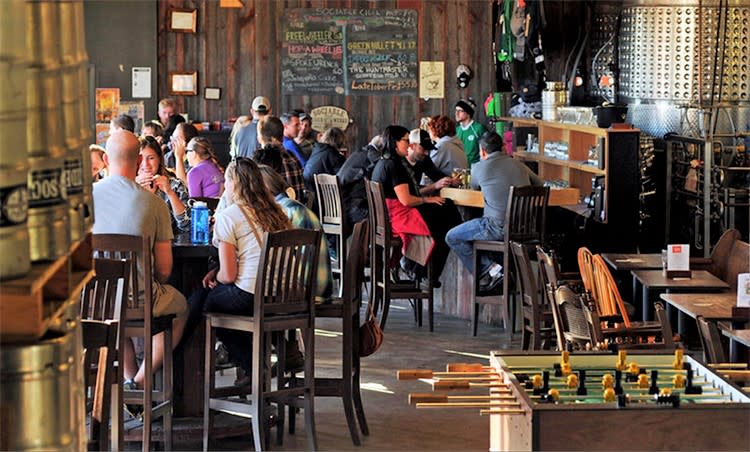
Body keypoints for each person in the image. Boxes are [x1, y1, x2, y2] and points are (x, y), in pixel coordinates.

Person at [92, 130, 187, 402]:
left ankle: (128, 383)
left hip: (95, 304)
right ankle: (141, 381)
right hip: (140, 301)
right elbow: (165, 271)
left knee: (115, 315)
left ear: (106, 159)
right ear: (137, 162)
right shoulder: (154, 204)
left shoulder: (82, 199)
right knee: (181, 308)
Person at [181, 158, 292, 379]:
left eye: (227, 181)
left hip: (251, 295)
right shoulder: (277, 213)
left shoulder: (229, 216)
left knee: (203, 301)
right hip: (282, 296)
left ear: (234, 183)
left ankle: (181, 360)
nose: (224, 186)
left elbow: (229, 275)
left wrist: (217, 277)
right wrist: (218, 273)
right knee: (207, 301)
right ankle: (255, 367)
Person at [445, 131, 544, 292]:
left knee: (452, 237)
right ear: (503, 147)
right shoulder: (518, 164)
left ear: (482, 151)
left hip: (496, 227)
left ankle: (493, 270)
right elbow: (539, 183)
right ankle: (500, 271)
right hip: (525, 230)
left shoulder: (478, 167)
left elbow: (474, 188)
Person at [371, 125, 457, 287]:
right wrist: (427, 200)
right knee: (446, 223)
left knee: (446, 215)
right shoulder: (394, 164)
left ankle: (418, 268)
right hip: (399, 217)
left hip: (387, 217)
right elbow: (406, 200)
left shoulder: (384, 161)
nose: (409, 144)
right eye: (406, 140)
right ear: (395, 142)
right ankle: (421, 271)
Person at [258, 164, 333, 299]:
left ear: (264, 188)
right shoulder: (290, 206)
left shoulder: (281, 212)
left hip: (304, 289)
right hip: (319, 286)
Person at [135, 135, 191, 233]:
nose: (145, 164)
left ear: (160, 160)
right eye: (140, 159)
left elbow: (186, 225)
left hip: (171, 245)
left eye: (151, 158)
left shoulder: (175, 185)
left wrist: (170, 192)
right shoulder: (128, 186)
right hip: (136, 244)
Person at [336, 134, 383, 236]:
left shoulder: (359, 153)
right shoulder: (373, 156)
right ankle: (364, 251)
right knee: (382, 218)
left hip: (340, 205)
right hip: (351, 208)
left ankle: (365, 250)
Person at [252, 115, 306, 204]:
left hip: (276, 214)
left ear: (260, 138)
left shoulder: (263, 160)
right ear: (282, 135)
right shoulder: (292, 156)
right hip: (297, 210)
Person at [407, 128, 459, 196]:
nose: (426, 153)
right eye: (423, 149)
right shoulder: (399, 162)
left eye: (428, 149)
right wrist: (434, 186)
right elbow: (409, 195)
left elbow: (437, 175)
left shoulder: (424, 159)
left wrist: (451, 181)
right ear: (412, 146)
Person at [303, 127, 346, 196]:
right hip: (325, 199)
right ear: (339, 141)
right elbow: (344, 178)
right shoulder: (334, 155)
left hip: (310, 197)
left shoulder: (316, 151)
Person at [426, 115, 468, 183]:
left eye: (429, 129)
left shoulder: (442, 146)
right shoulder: (456, 143)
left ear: (435, 129)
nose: (428, 132)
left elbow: (428, 170)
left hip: (448, 189)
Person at [455, 98, 488, 165]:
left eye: (460, 111)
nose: (456, 113)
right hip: (460, 169)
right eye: (456, 110)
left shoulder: (478, 128)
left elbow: (487, 149)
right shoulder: (457, 130)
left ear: (468, 113)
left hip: (475, 168)